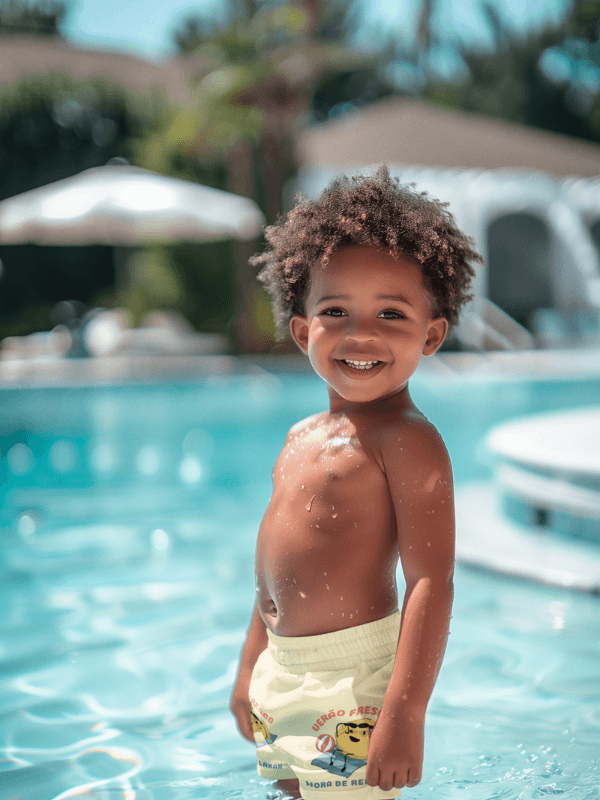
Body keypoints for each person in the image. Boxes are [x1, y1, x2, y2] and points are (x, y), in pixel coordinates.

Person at [230, 166, 483, 800]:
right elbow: (270, 570)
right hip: (280, 669)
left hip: (352, 677)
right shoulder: (299, 437)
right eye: (335, 310)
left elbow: (431, 580)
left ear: (430, 335)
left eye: (390, 314)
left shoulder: (408, 441)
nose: (360, 333)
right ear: (301, 330)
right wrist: (249, 665)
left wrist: (406, 712)